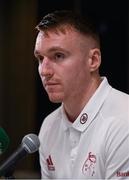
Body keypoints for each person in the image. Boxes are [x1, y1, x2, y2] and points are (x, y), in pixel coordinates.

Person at [34, 10, 129, 179]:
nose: (45, 71)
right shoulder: (48, 127)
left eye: (58, 56)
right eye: (41, 58)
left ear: (93, 60)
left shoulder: (124, 120)